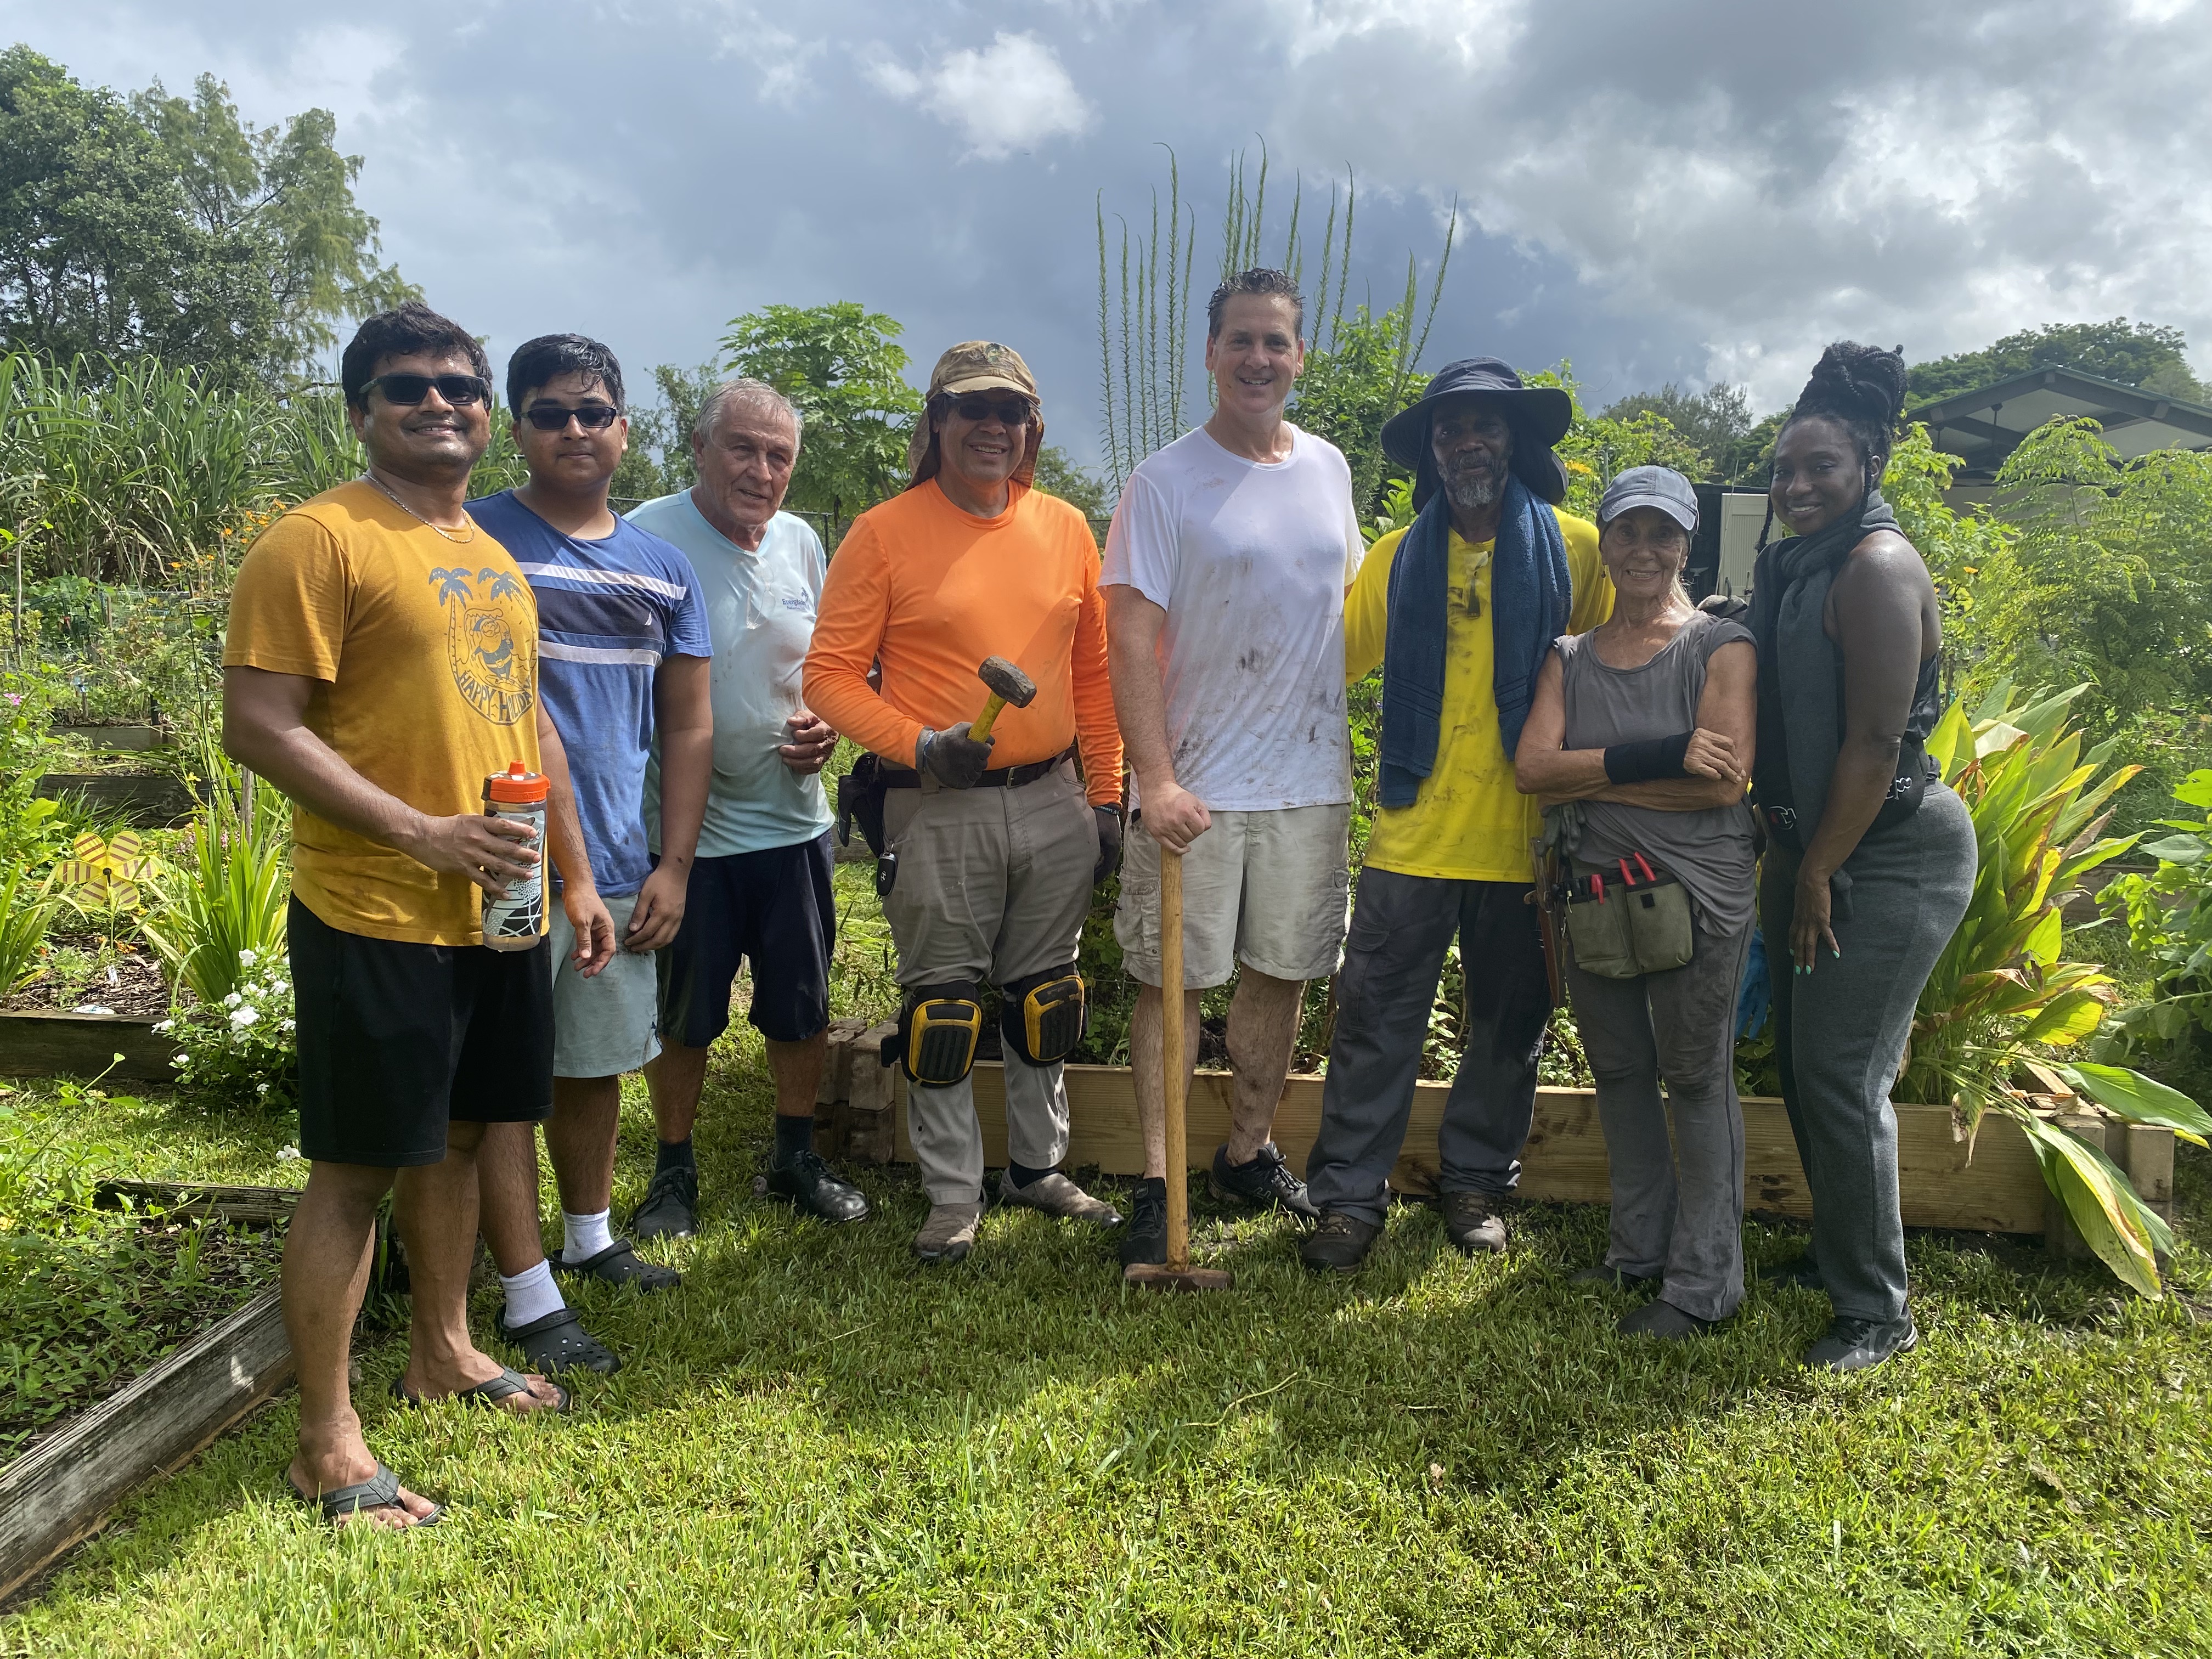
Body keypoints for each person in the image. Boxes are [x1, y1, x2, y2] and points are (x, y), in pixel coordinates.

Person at [223, 302, 616, 1530]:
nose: (440, 403)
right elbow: (259, 726)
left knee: (461, 1133)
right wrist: (421, 833)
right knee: (356, 1169)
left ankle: (443, 1349)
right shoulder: (319, 541)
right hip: (374, 907)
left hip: (496, 912)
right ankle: (325, 1440)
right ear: (362, 411)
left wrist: (576, 874)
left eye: (460, 387)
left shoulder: (487, 554)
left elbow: (527, 723)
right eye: (408, 387)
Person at [805, 342, 1127, 1265]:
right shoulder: (884, 533)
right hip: (935, 804)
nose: (993, 426)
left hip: (1053, 796)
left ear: (1031, 427)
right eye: (972, 408)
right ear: (938, 421)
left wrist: (1106, 795)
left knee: (1046, 998)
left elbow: (1094, 675)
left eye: (1010, 411)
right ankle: (952, 1195)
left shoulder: (1066, 527)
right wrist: (920, 743)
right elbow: (828, 676)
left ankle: (1038, 1167)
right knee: (942, 1010)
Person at [1301, 358, 1613, 1272]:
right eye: (1450, 428)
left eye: (1485, 425)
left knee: (1510, 1032)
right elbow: (1329, 666)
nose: (1467, 442)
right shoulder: (1397, 557)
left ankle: (1476, 1184)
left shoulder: (1579, 549)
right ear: (1432, 449)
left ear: (1515, 440)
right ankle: (1347, 1198)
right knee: (1371, 1026)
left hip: (1528, 841)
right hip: (1412, 837)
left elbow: (1617, 668)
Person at [1102, 268, 1362, 1266]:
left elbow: (1343, 613)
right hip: (1196, 788)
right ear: (1210, 354)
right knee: (1172, 984)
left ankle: (1248, 1153)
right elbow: (1130, 638)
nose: (1259, 358)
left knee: (1282, 974)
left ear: (1300, 357)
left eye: (1276, 342)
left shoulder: (1330, 470)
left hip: (1308, 782)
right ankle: (1158, 1180)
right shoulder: (1165, 481)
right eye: (1241, 340)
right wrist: (1157, 779)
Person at [469, 335, 714, 1378]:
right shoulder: (476, 538)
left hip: (616, 857)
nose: (574, 430)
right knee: (499, 1080)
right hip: (496, 860)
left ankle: (589, 1239)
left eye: (593, 411)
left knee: (596, 1060)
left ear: (623, 426)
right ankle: (527, 1293)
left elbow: (688, 725)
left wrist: (674, 865)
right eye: (549, 413)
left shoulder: (664, 569)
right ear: (516, 428)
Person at [1749, 342, 1975, 1373]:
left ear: (1869, 466)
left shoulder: (1876, 569)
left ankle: (1878, 1311)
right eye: (1784, 469)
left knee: (1844, 1075)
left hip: (1888, 856)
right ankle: (1837, 1252)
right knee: (1804, 1069)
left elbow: (1876, 743)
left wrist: (1813, 873)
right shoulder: (1802, 566)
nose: (1797, 486)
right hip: (1817, 847)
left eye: (1822, 468)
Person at [1513, 466, 1758, 1338]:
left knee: (1694, 1077)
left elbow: (1722, 786)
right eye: (1627, 531)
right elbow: (1532, 770)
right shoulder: (1569, 656)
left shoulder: (1721, 647)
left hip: (1699, 895)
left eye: (1663, 534)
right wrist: (1660, 756)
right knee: (1618, 1071)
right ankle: (1637, 1253)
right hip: (1595, 897)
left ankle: (1704, 1285)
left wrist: (1592, 780)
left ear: (1687, 545)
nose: (1643, 550)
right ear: (1605, 543)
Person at [624, 380, 866, 1239]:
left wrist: (826, 726)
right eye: (742, 449)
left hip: (795, 825)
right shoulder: (647, 537)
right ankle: (673, 1170)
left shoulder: (802, 542)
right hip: (686, 836)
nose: (761, 471)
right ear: (699, 449)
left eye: (779, 456)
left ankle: (796, 1157)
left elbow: (824, 667)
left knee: (801, 1004)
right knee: (685, 1014)